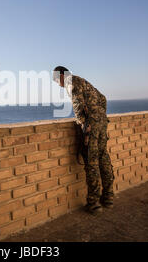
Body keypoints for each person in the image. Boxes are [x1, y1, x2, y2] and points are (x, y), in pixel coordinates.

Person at [53, 66, 115, 215]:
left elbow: (77, 104)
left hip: (91, 127)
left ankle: (93, 203)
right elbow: (103, 98)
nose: (57, 83)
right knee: (103, 157)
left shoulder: (70, 82)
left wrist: (83, 122)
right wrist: (98, 115)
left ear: (62, 75)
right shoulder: (82, 80)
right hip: (101, 122)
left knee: (92, 163)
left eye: (56, 79)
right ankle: (108, 197)